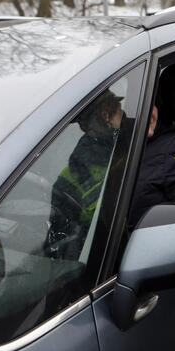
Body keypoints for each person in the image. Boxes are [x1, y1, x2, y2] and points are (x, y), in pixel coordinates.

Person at [46, 91, 128, 259]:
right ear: (106, 116)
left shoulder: (74, 159)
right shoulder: (114, 156)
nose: (125, 116)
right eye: (120, 111)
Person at [128, 104, 175, 230]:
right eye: (134, 106)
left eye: (151, 104)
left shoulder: (173, 146)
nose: (148, 113)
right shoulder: (113, 156)